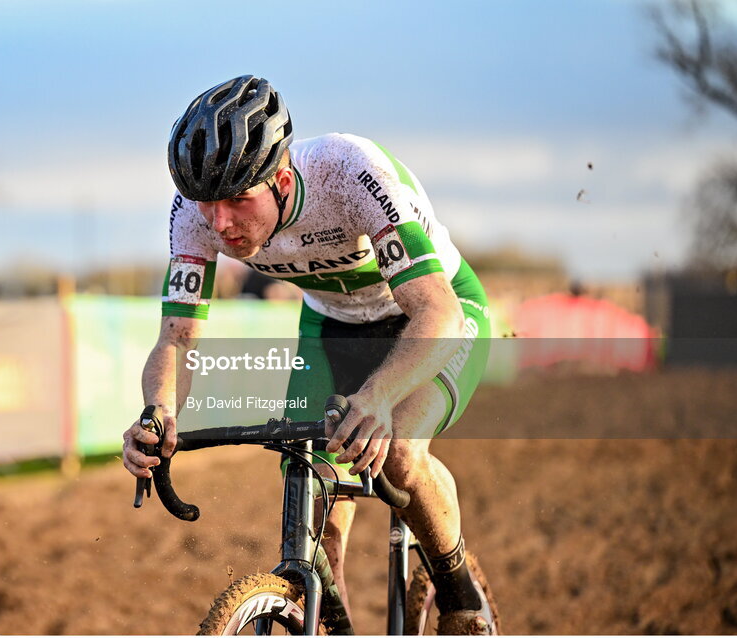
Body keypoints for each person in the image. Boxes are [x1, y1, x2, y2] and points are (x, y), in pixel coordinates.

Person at [122, 76, 494, 634]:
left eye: (237, 200)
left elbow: (436, 312)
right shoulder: (194, 215)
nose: (220, 224)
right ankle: (329, 615)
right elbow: (176, 339)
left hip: (435, 313)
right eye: (207, 205)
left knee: (399, 455)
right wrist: (159, 413)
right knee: (310, 472)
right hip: (332, 324)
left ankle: (461, 593)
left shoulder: (350, 173)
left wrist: (380, 395)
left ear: (283, 177)